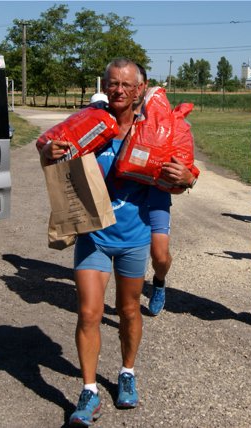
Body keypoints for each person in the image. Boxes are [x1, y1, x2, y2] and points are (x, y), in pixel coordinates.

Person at [39, 58, 186, 427]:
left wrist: (186, 178)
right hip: (94, 236)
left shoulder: (157, 130)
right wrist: (47, 153)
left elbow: (179, 182)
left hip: (135, 237)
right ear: (104, 86)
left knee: (129, 311)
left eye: (126, 84)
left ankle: (127, 372)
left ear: (141, 88)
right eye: (112, 83)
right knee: (88, 313)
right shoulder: (90, 125)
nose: (118, 90)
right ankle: (88, 391)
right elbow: (53, 157)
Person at [134, 63, 196, 317]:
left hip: (156, 195)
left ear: (144, 86)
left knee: (160, 255)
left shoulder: (168, 123)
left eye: (136, 84)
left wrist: (189, 179)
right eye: (125, 84)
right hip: (125, 196)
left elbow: (183, 178)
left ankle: (158, 283)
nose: (131, 90)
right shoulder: (116, 117)